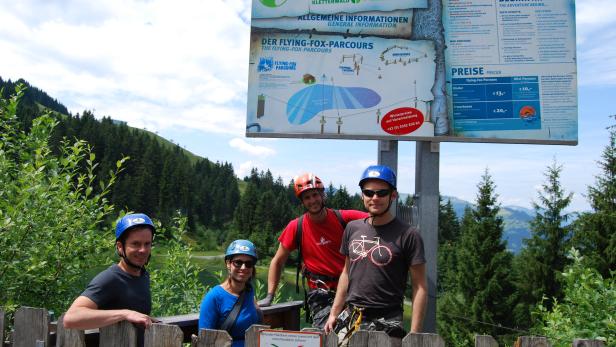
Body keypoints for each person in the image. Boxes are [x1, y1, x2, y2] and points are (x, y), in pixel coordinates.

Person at [324, 165, 427, 344]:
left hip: (388, 320)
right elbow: (346, 273)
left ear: (393, 195)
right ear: (362, 195)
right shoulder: (352, 228)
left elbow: (420, 287)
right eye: (369, 193)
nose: (375, 198)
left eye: (382, 193)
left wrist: (415, 334)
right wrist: (334, 313)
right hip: (352, 316)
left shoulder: (409, 235)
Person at [258, 173, 368, 328]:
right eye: (307, 198)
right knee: (326, 334)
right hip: (320, 293)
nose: (312, 200)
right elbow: (277, 261)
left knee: (358, 334)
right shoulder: (296, 227)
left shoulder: (343, 218)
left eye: (315, 195)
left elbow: (375, 219)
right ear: (302, 201)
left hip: (351, 289)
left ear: (322, 195)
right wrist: (270, 295)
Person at [64, 213, 157, 345]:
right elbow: (71, 318)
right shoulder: (110, 278)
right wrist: (125, 314)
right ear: (120, 246)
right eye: (135, 244)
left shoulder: (142, 275)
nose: (143, 250)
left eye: (147, 244)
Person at [199, 240, 262, 347]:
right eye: (238, 262)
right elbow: (205, 341)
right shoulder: (214, 297)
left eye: (248, 264)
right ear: (228, 264)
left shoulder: (249, 292)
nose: (243, 267)